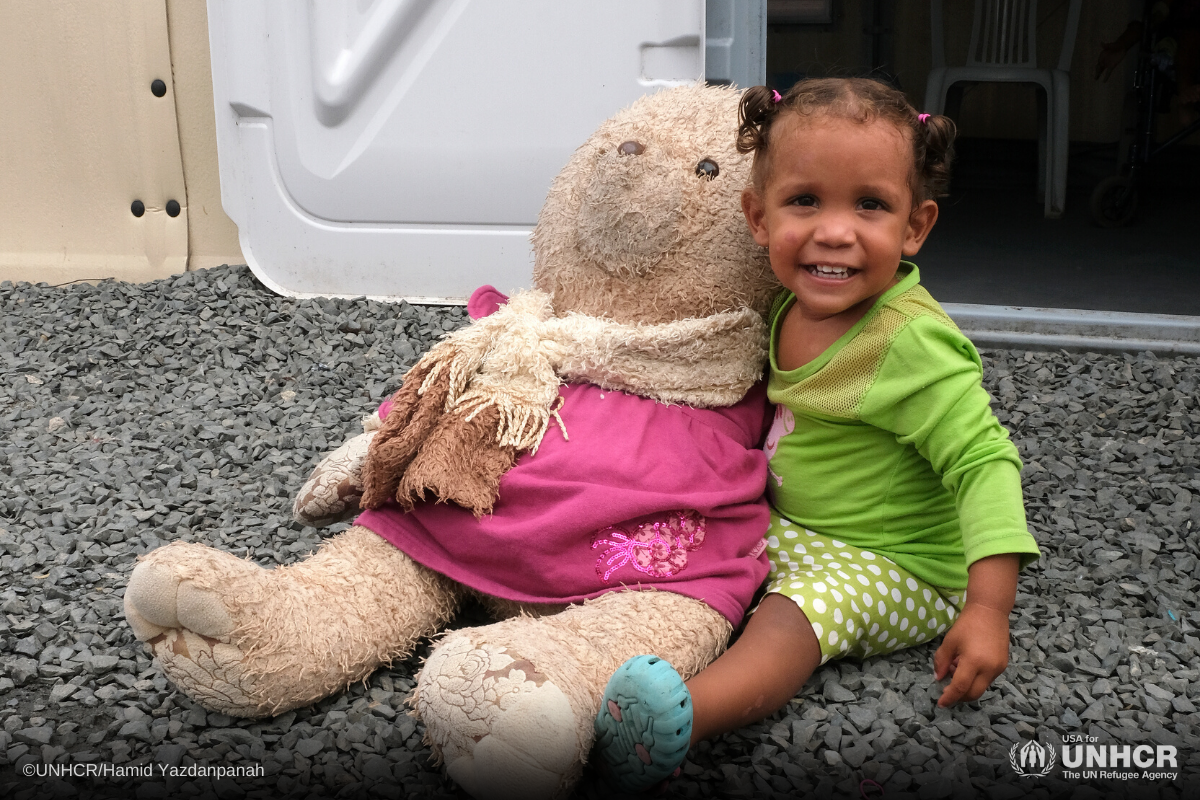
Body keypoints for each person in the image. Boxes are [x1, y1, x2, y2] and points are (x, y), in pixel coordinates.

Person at [591, 78, 1042, 792]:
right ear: (758, 217)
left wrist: (988, 610)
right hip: (797, 524)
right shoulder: (788, 304)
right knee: (675, 539)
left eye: (870, 204)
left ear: (915, 226)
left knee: (792, 619)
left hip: (895, 560)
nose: (835, 230)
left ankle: (678, 719)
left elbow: (984, 462)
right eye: (806, 200)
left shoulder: (908, 341)